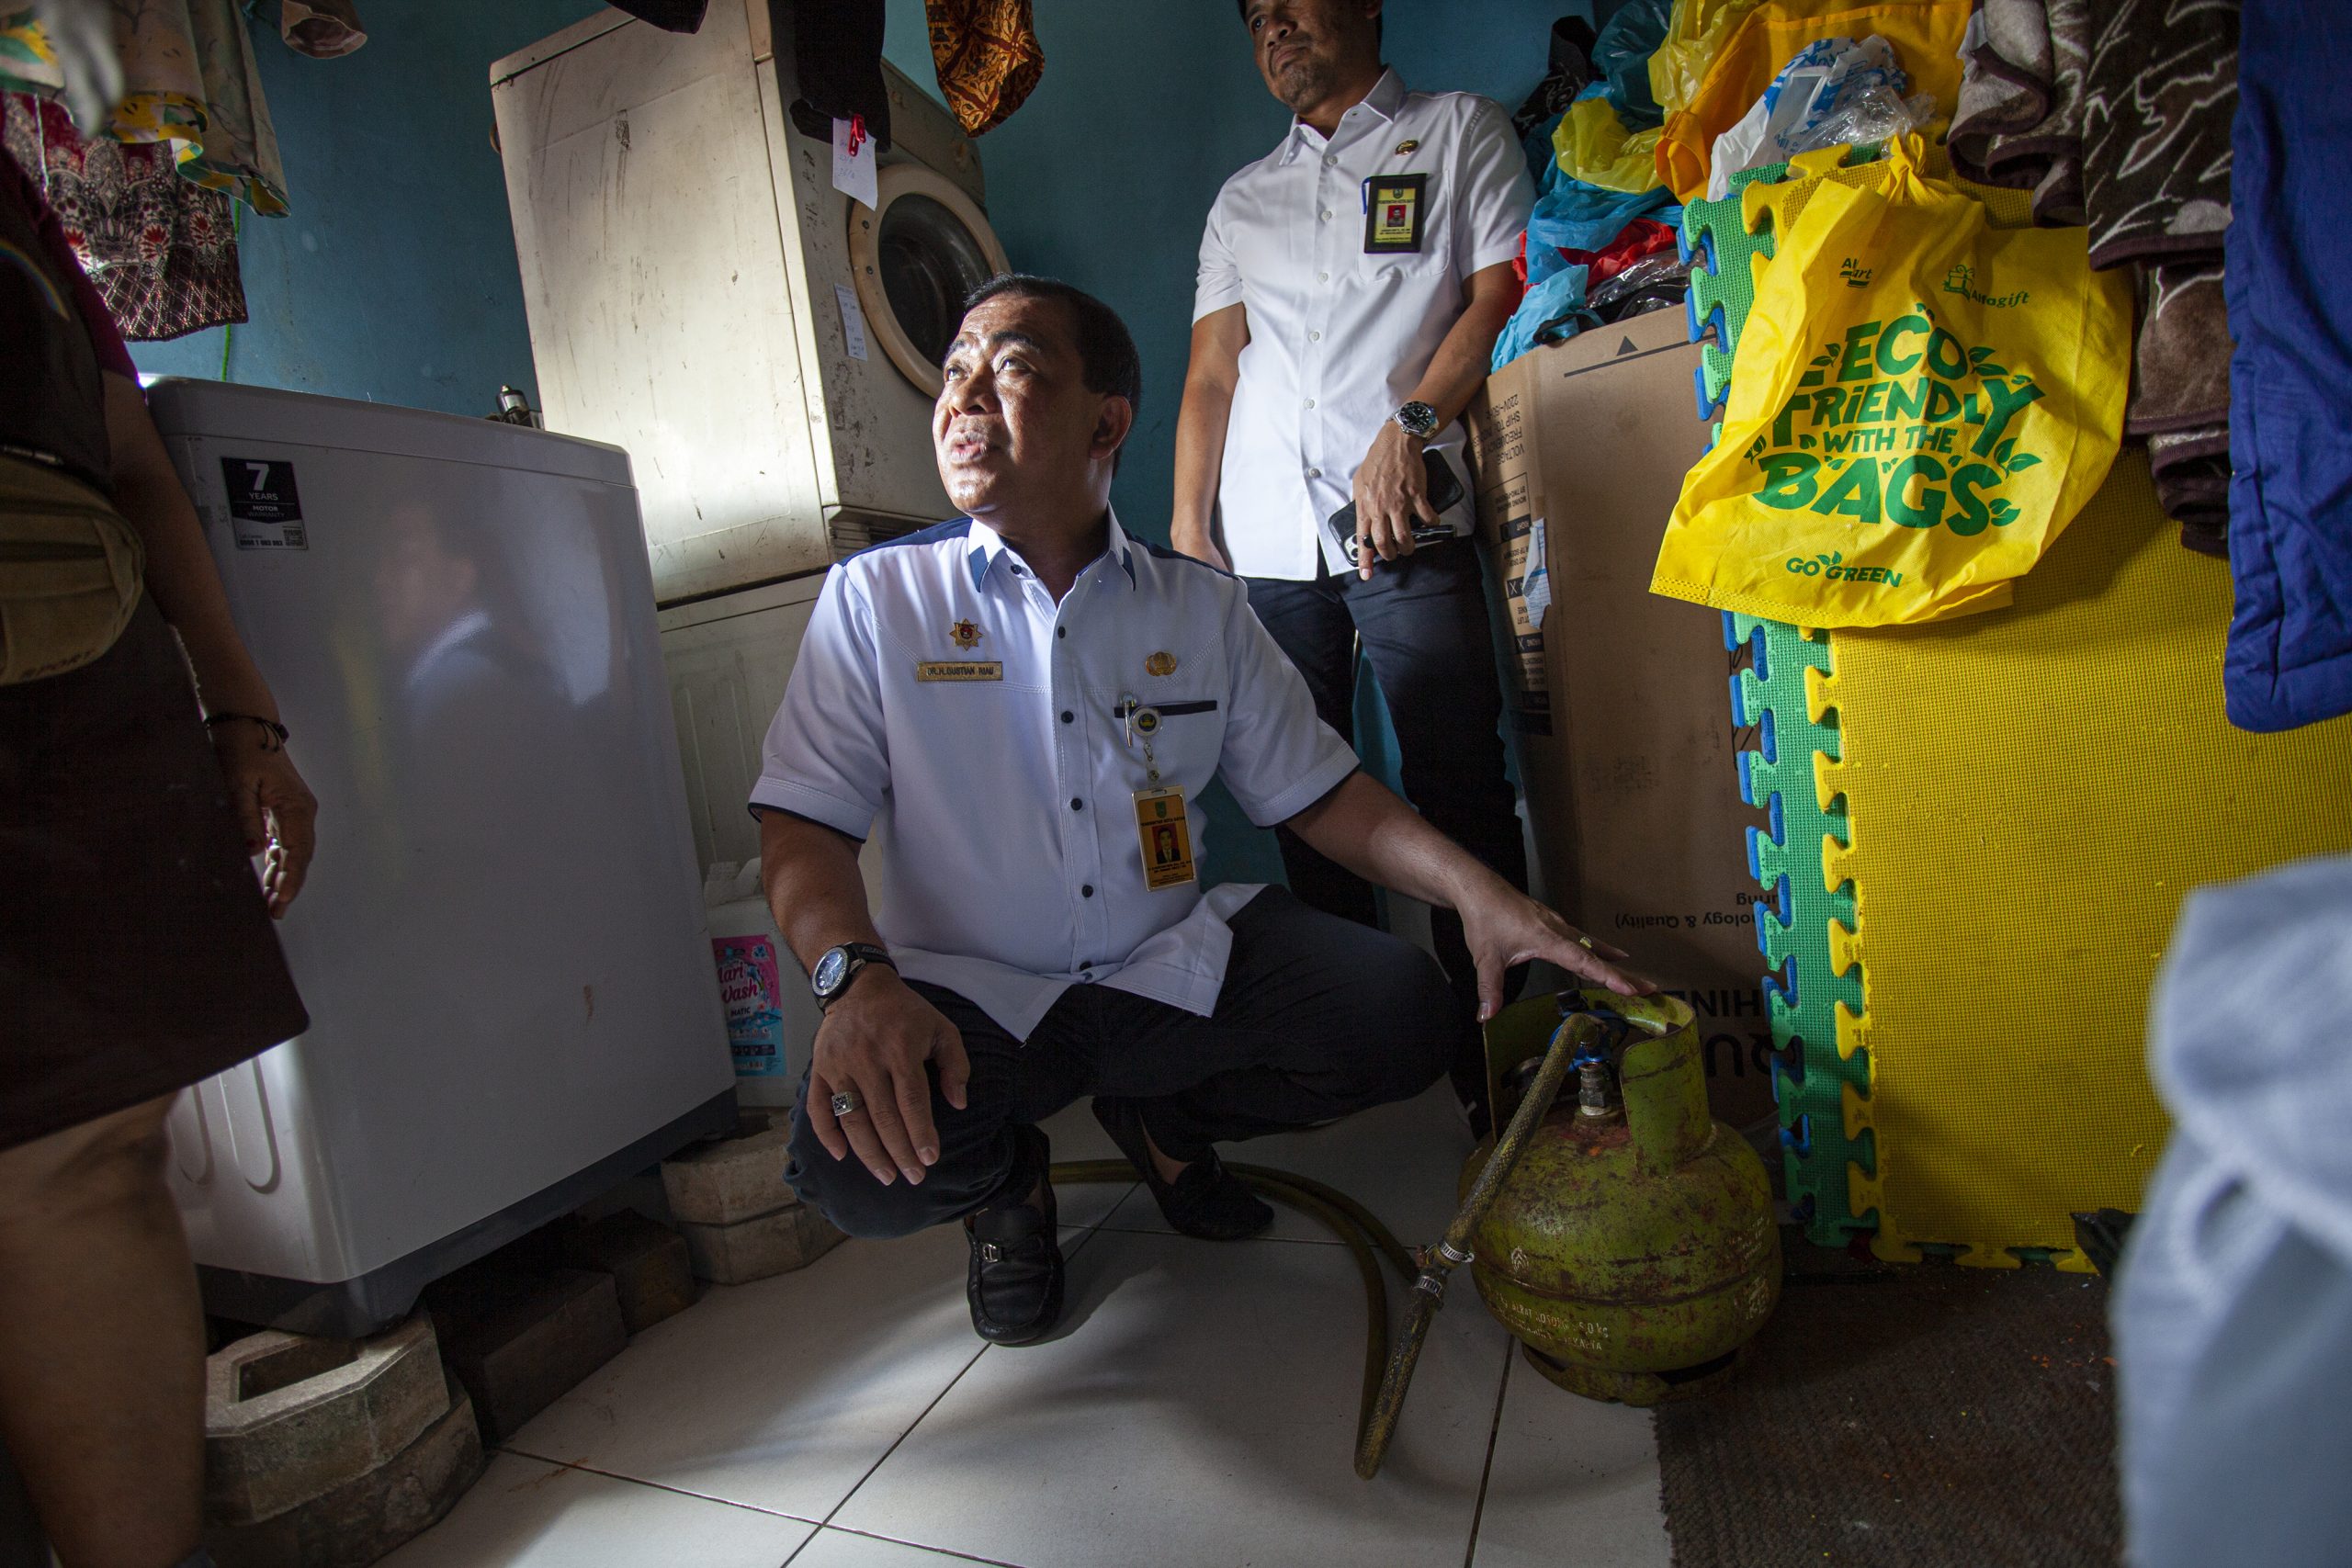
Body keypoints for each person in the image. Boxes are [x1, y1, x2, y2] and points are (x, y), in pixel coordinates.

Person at [755, 274, 1645, 1347]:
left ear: (1107, 420)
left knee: (1400, 1012)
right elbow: (805, 825)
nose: (962, 397)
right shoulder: (877, 599)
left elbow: (1319, 795)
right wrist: (853, 979)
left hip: (1160, 968)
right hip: (973, 1000)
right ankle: (1007, 1189)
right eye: (954, 371)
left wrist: (1481, 893)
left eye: (1012, 366)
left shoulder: (1197, 604)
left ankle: (1162, 1117)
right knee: (848, 1163)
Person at [0, 152, 316, 1568]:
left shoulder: (9, 185)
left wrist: (243, 713)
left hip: (64, 647)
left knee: (91, 1146)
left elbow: (129, 457)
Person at [1171, 0, 1537, 1133]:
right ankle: (1373, 1053)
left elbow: (1498, 292)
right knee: (1300, 800)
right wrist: (1189, 528)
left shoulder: (1460, 130)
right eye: (1256, 18)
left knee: (1456, 783)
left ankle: (1503, 1069)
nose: (1275, 27)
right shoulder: (1243, 199)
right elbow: (1213, 376)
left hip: (1404, 512)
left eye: (1295, 1)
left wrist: (1413, 424)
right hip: (1267, 543)